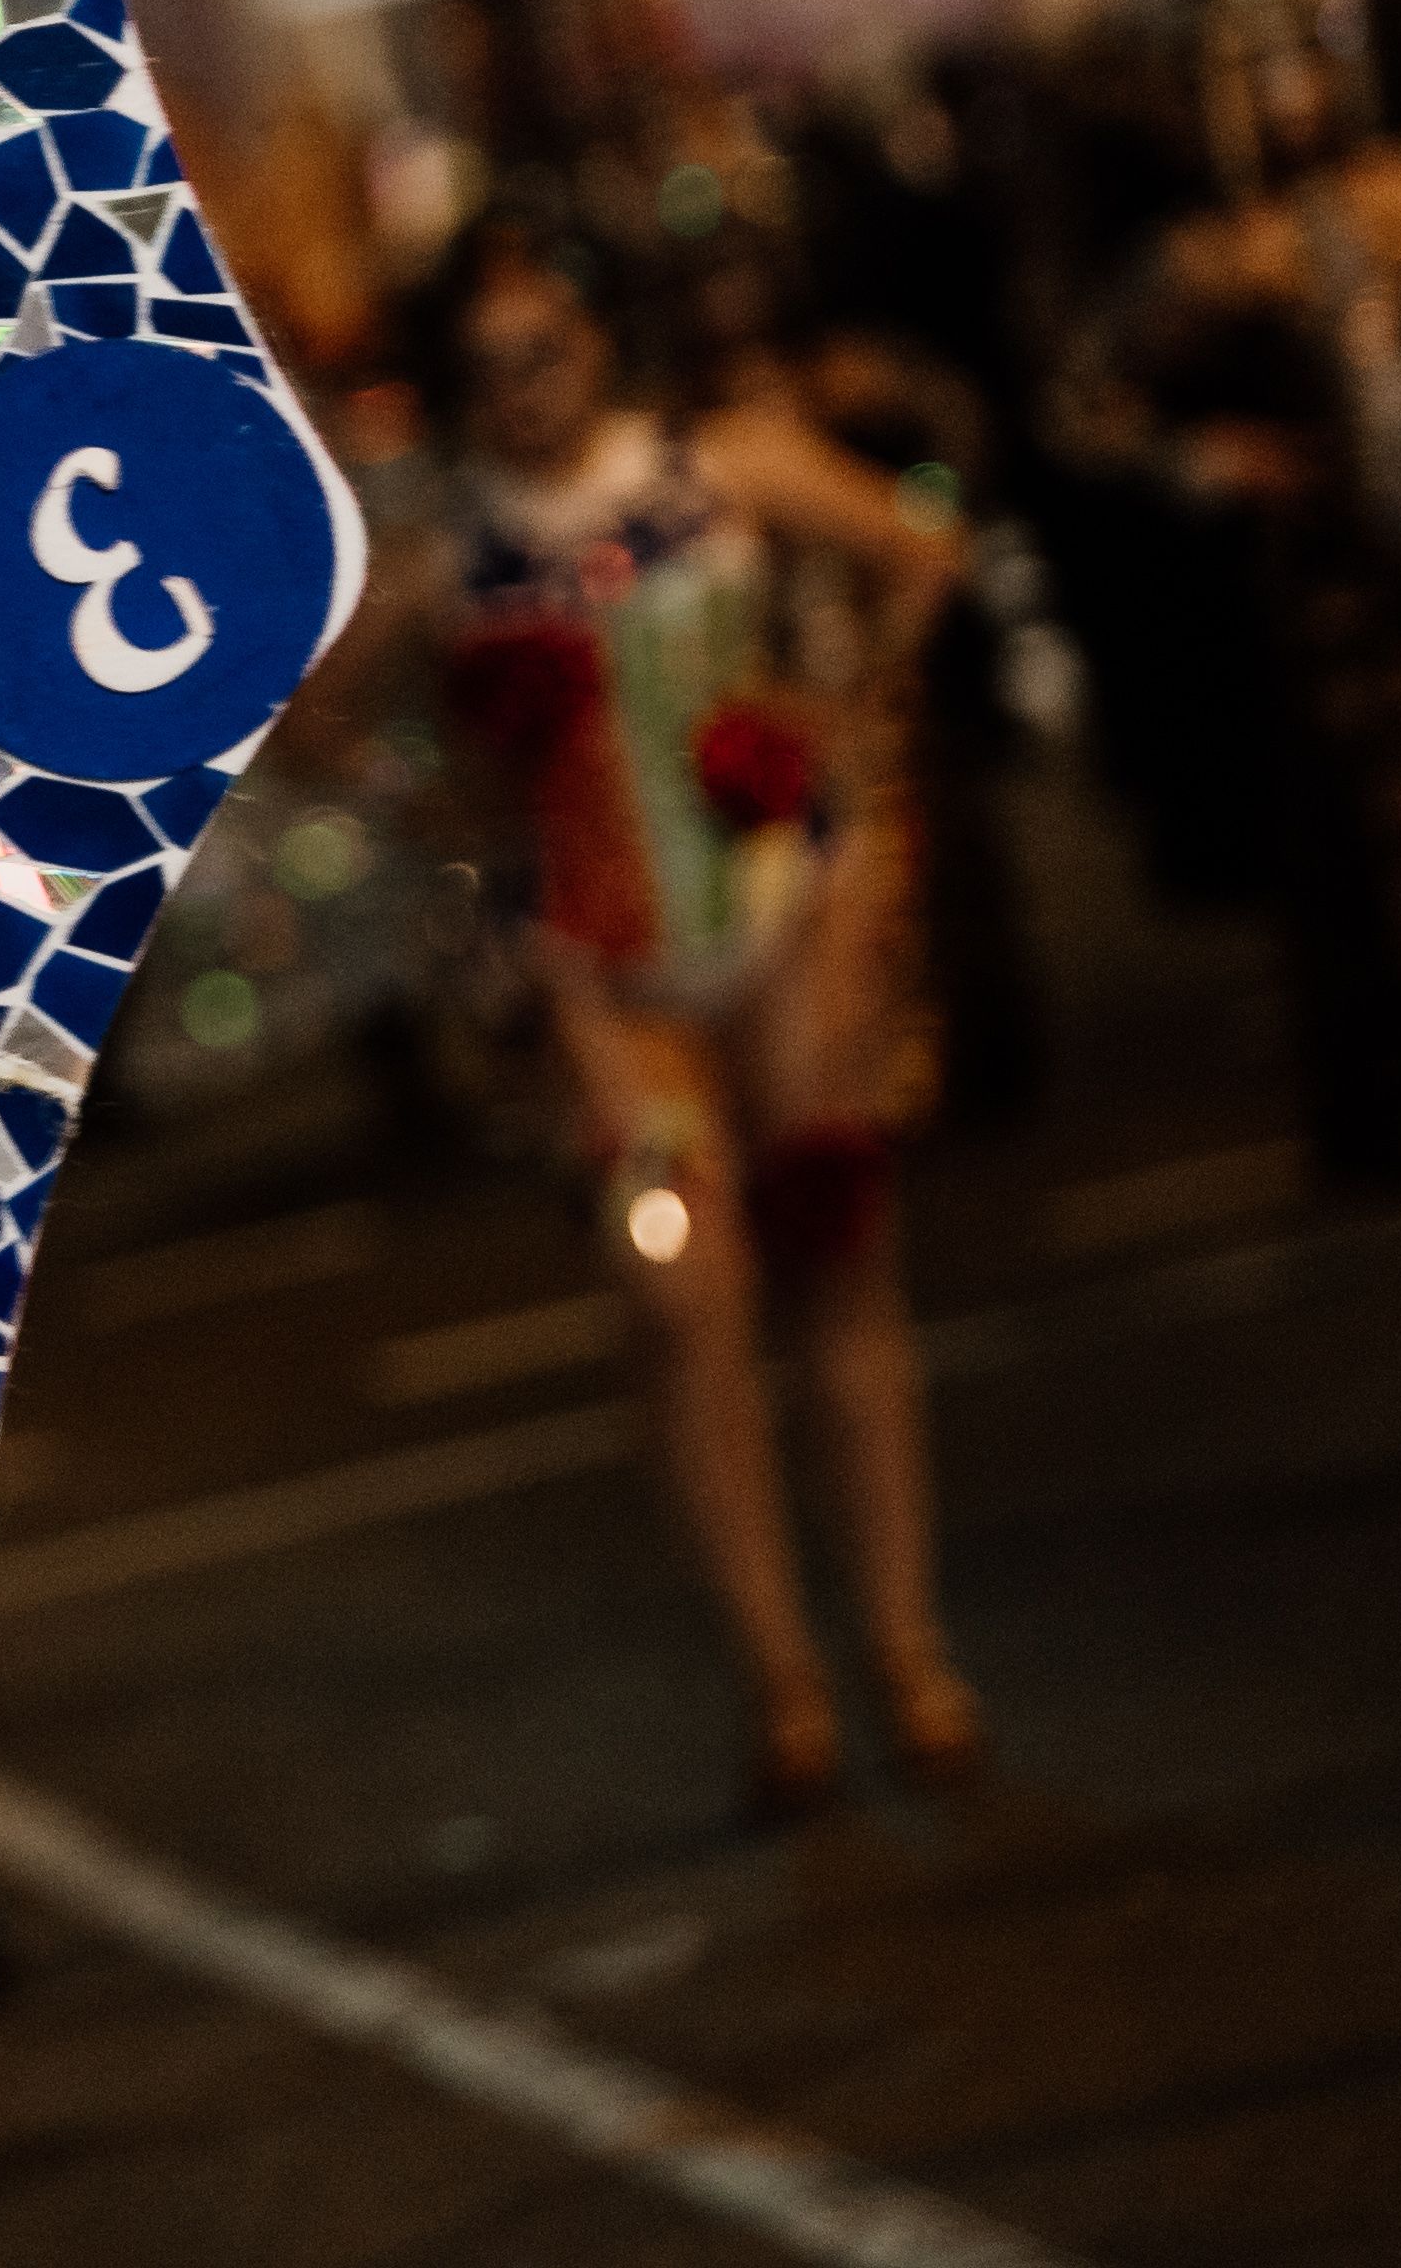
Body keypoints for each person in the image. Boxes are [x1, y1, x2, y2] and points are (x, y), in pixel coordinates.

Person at [419, 221, 977, 1813]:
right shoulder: (446, 555)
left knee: (841, 1261)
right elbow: (335, 731)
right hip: (608, 977)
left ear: (597, 337)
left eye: (546, 350)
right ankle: (782, 1686)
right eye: (487, 371)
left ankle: (907, 1649)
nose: (524, 393)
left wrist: (846, 722)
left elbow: (920, 545)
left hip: (781, 918)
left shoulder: (724, 460)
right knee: (684, 1297)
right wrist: (471, 840)